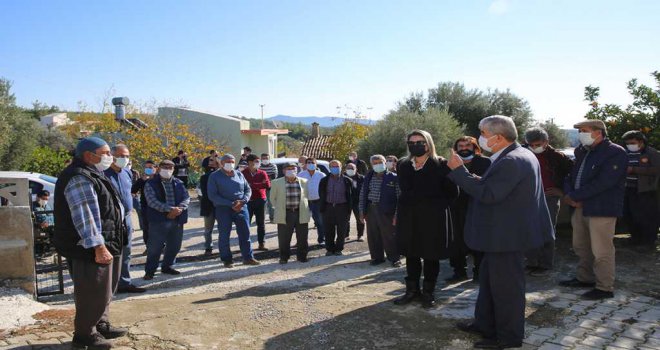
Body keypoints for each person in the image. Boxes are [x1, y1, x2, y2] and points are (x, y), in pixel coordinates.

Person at [448, 116, 554, 349]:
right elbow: (498, 186)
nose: (480, 138)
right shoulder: (516, 155)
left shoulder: (512, 160)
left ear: (498, 137)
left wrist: (459, 172)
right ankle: (484, 323)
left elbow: (489, 194)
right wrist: (474, 176)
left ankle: (508, 338)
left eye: (483, 134)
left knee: (507, 290)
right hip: (502, 236)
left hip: (506, 237)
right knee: (489, 282)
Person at [53, 137, 128, 349]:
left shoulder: (94, 173)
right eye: (105, 153)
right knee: (92, 292)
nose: (109, 157)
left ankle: (99, 324)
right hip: (90, 249)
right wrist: (98, 246)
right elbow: (85, 215)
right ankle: (85, 335)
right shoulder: (79, 177)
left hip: (109, 242)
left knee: (104, 291)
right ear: (89, 155)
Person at [560, 120, 628, 300]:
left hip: (601, 208)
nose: (581, 134)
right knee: (581, 246)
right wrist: (570, 194)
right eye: (580, 131)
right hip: (580, 206)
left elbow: (605, 182)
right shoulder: (582, 151)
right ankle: (585, 278)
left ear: (598, 132)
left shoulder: (615, 152)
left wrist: (576, 196)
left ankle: (605, 287)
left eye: (584, 131)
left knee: (602, 250)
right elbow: (571, 176)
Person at [393, 130, 459, 309]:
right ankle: (412, 291)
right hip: (409, 218)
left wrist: (435, 206)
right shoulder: (403, 165)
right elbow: (405, 190)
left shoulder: (442, 164)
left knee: (431, 255)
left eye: (420, 142)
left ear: (428, 144)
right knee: (411, 254)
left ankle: (428, 292)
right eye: (411, 142)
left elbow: (453, 192)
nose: (415, 145)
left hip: (433, 219)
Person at [523, 127, 574, 277]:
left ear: (546, 142)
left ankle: (545, 264)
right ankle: (531, 262)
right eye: (531, 145)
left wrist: (562, 191)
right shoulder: (523, 154)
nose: (534, 147)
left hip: (549, 198)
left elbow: (572, 175)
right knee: (529, 230)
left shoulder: (558, 157)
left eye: (537, 144)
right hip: (527, 198)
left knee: (547, 230)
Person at [446, 136, 491, 284]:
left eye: (468, 145)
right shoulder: (450, 163)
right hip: (456, 208)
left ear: (475, 147)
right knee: (456, 242)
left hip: (477, 207)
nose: (464, 148)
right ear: (456, 149)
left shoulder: (485, 162)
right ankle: (459, 272)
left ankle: (479, 272)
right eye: (460, 146)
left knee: (478, 240)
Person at [104, 144, 146, 294]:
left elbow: (130, 193)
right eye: (121, 156)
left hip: (127, 218)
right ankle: (109, 285)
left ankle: (124, 283)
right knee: (111, 252)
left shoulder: (127, 173)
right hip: (111, 220)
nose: (125, 159)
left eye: (127, 156)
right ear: (113, 156)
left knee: (126, 252)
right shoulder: (103, 174)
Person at [207, 154, 260, 268]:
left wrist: (243, 201)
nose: (230, 163)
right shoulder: (214, 176)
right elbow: (213, 195)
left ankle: (248, 258)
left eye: (232, 161)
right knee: (224, 234)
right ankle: (227, 259)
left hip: (241, 207)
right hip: (223, 209)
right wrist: (231, 204)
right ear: (221, 163)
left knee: (245, 233)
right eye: (227, 161)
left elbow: (247, 189)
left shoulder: (239, 174)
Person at [143, 160, 190, 280]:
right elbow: (152, 201)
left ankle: (167, 266)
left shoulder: (178, 182)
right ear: (159, 168)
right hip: (158, 220)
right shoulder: (151, 183)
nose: (168, 169)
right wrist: (169, 210)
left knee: (174, 246)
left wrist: (179, 209)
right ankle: (150, 271)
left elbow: (186, 197)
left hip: (177, 219)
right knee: (155, 248)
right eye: (165, 167)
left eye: (171, 167)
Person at [359, 154, 401, 267]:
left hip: (387, 210)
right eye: (375, 163)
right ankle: (377, 257)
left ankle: (394, 258)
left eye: (380, 162)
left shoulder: (394, 177)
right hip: (371, 209)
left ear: (385, 162)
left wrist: (397, 214)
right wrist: (361, 211)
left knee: (389, 235)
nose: (378, 165)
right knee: (373, 235)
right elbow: (363, 194)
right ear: (372, 165)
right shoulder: (368, 177)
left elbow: (399, 197)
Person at [621, 130, 660, 249]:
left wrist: (634, 170)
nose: (630, 145)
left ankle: (648, 241)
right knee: (630, 215)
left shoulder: (652, 153)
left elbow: (657, 169)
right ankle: (635, 238)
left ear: (641, 142)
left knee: (646, 216)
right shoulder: (625, 153)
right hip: (628, 188)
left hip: (645, 190)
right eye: (627, 143)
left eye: (632, 143)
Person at [270, 162, 311, 263]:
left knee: (302, 237)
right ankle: (284, 258)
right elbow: (272, 199)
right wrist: (280, 208)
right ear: (283, 171)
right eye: (288, 168)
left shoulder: (304, 181)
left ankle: (302, 257)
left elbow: (306, 196)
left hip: (300, 212)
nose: (291, 170)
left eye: (293, 168)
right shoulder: (276, 182)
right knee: (284, 237)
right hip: (285, 213)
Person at [318, 160, 353, 256]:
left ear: (341, 167)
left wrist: (349, 209)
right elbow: (321, 193)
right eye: (332, 166)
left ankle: (339, 249)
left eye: (337, 166)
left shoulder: (347, 180)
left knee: (342, 230)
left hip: (342, 208)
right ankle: (329, 249)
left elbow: (351, 195)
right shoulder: (324, 180)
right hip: (328, 207)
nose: (335, 168)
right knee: (328, 230)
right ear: (329, 168)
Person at [242, 154, 271, 251]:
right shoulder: (243, 173)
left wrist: (251, 185)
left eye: (258, 161)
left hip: (261, 200)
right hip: (248, 201)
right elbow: (243, 187)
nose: (258, 163)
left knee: (261, 223)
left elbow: (267, 185)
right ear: (249, 163)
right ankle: (245, 244)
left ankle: (261, 243)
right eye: (256, 161)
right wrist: (259, 185)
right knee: (246, 223)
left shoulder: (262, 173)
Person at [298, 157, 326, 246]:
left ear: (316, 164)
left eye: (312, 162)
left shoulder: (321, 175)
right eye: (308, 162)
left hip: (317, 201)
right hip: (305, 201)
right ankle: (302, 241)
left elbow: (326, 188)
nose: (310, 164)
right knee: (303, 222)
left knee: (319, 221)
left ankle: (322, 239)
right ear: (305, 165)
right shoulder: (301, 175)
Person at [131, 160, 156, 247]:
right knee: (146, 229)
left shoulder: (159, 179)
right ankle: (148, 247)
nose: (148, 169)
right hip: (146, 207)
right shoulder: (142, 180)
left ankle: (161, 246)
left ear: (155, 168)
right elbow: (133, 190)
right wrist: (141, 180)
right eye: (146, 167)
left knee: (158, 228)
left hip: (158, 208)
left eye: (150, 167)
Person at [199, 155, 218, 256]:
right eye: (210, 161)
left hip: (220, 206)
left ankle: (223, 246)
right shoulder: (204, 177)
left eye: (214, 161)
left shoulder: (222, 175)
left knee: (222, 228)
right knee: (208, 229)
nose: (212, 163)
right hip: (208, 206)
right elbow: (205, 193)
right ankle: (208, 247)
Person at [345, 163, 365, 241]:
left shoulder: (361, 178)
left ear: (356, 169)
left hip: (358, 202)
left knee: (360, 219)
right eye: (348, 168)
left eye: (352, 168)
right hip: (346, 201)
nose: (350, 170)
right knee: (346, 219)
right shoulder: (342, 177)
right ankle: (346, 235)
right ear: (345, 169)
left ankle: (360, 235)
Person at [260, 153, 278, 222]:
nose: (265, 160)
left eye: (266, 158)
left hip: (271, 187)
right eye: (263, 158)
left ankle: (272, 217)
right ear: (261, 159)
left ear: (269, 159)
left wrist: (264, 178)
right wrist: (267, 177)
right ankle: (261, 218)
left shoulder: (273, 166)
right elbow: (257, 176)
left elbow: (274, 176)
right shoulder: (259, 166)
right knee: (262, 203)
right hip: (261, 188)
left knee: (271, 203)